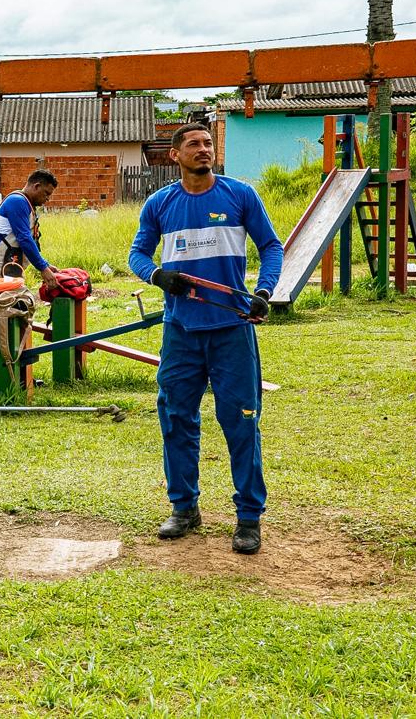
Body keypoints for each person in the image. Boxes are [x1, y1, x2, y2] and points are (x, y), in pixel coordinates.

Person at [128, 122, 283, 555]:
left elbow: (272, 246)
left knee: (242, 421)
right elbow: (137, 254)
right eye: (194, 144)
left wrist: (264, 291)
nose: (204, 149)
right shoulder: (160, 203)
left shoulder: (240, 195)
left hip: (232, 329)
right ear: (174, 155)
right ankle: (184, 508)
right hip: (180, 332)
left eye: (208, 143)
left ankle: (248, 518)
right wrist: (158, 275)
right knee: (177, 419)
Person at [0, 169, 59, 378]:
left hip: (9, 269)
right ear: (36, 186)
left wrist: (46, 264)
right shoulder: (17, 202)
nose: (47, 199)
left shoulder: (27, 205)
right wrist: (43, 269)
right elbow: (24, 239)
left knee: (14, 316)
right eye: (46, 193)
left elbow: (31, 240)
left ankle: (16, 372)